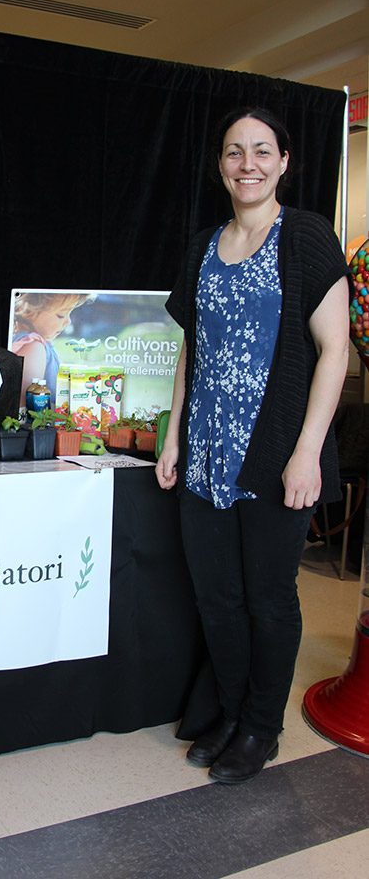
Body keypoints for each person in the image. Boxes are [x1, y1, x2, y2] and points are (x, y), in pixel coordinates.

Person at [155, 107, 350, 784]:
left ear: (284, 161)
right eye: (234, 150)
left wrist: (306, 453)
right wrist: (172, 434)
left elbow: (334, 352)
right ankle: (231, 711)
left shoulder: (304, 236)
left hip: (272, 457)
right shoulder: (202, 246)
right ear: (220, 164)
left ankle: (260, 729)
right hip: (206, 452)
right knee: (217, 597)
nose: (247, 163)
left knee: (267, 598)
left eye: (261, 150)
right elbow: (192, 351)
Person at [11, 292, 89, 406]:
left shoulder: (37, 344)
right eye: (61, 315)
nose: (68, 322)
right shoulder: (34, 348)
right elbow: (24, 406)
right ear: (29, 311)